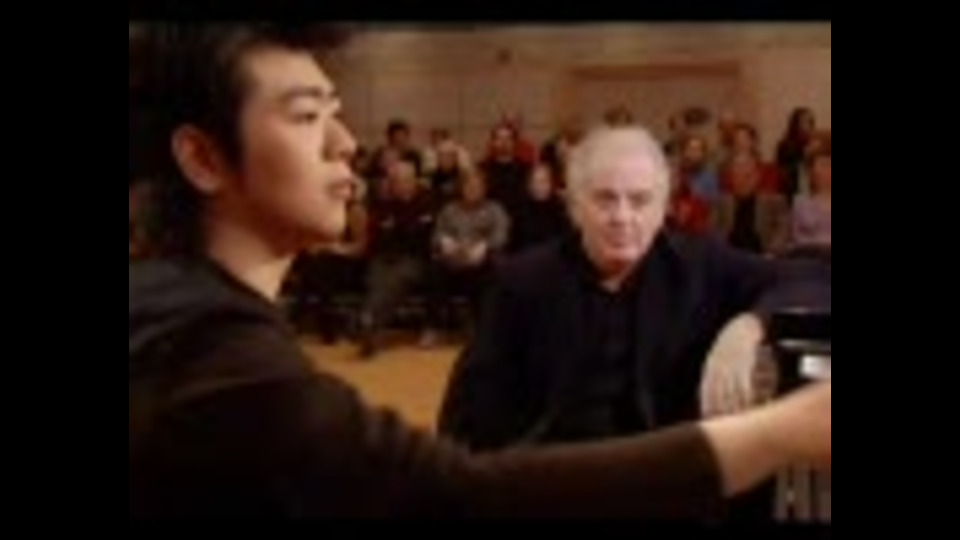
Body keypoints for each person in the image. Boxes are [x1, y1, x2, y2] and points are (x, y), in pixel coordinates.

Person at [129, 23, 830, 519]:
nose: (346, 143)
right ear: (203, 158)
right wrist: (783, 430)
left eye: (338, 113)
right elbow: (456, 490)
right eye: (308, 116)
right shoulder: (217, 362)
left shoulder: (180, 310)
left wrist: (751, 324)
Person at [438, 126, 831, 521]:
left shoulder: (698, 266)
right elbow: (467, 417)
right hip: (557, 486)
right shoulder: (522, 282)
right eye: (605, 199)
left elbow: (813, 279)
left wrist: (749, 325)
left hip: (668, 485)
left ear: (663, 207)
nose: (622, 217)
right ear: (574, 206)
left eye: (640, 200)